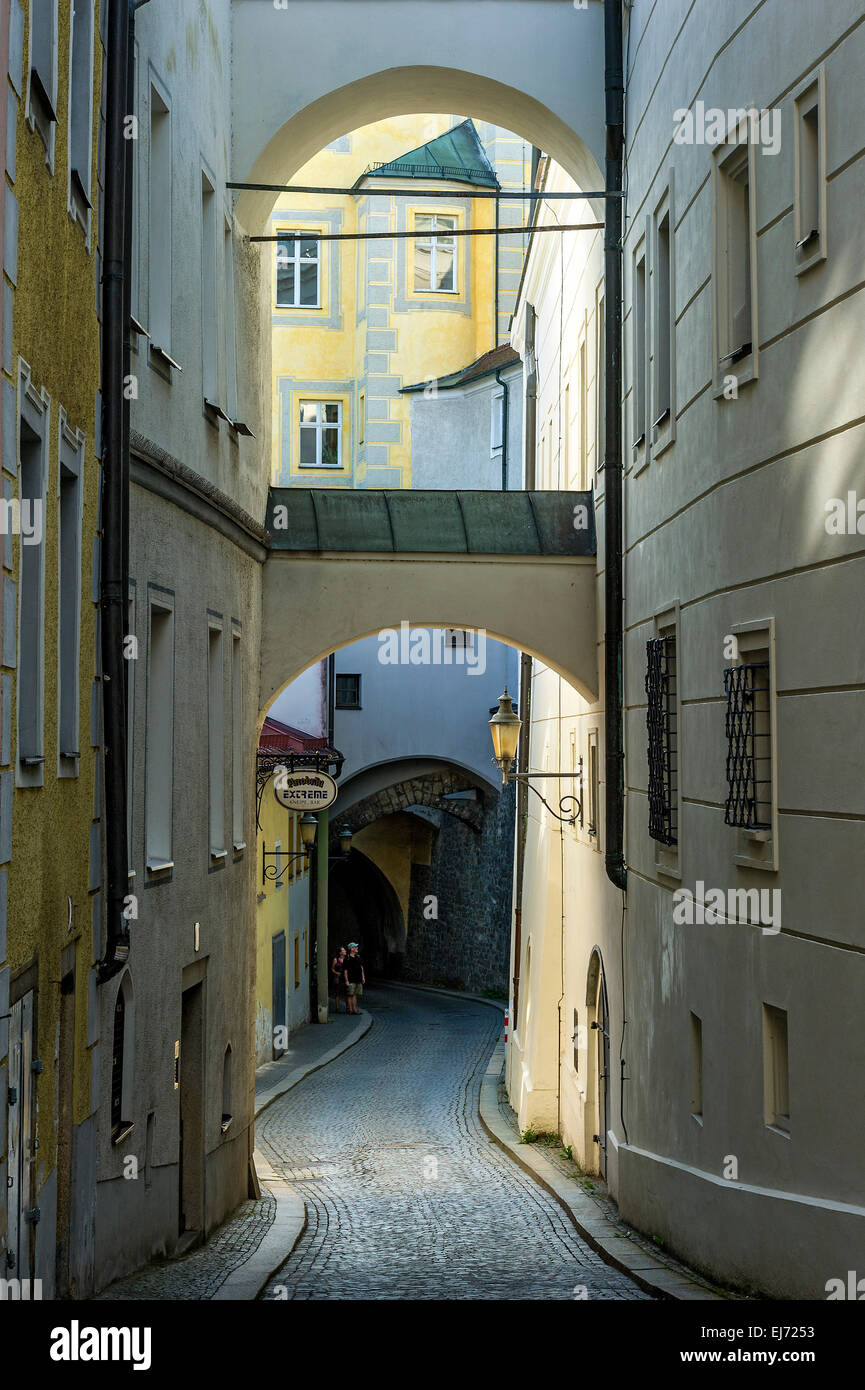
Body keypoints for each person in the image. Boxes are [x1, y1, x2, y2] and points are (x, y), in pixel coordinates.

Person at [342, 942, 365, 1015]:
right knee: (350, 994)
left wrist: (363, 977)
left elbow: (361, 967)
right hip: (351, 979)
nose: (357, 948)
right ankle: (350, 1009)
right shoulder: (347, 958)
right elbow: (345, 970)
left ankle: (355, 1009)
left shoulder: (358, 957)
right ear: (351, 949)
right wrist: (346, 980)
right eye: (355, 947)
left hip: (358, 979)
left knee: (355, 994)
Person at [330, 946, 347, 1013]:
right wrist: (336, 973)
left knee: (346, 993)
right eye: (343, 950)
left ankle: (348, 1007)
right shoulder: (336, 959)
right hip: (338, 978)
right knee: (337, 993)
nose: (345, 951)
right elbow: (332, 969)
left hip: (345, 978)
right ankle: (337, 1008)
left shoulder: (346, 959)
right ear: (340, 952)